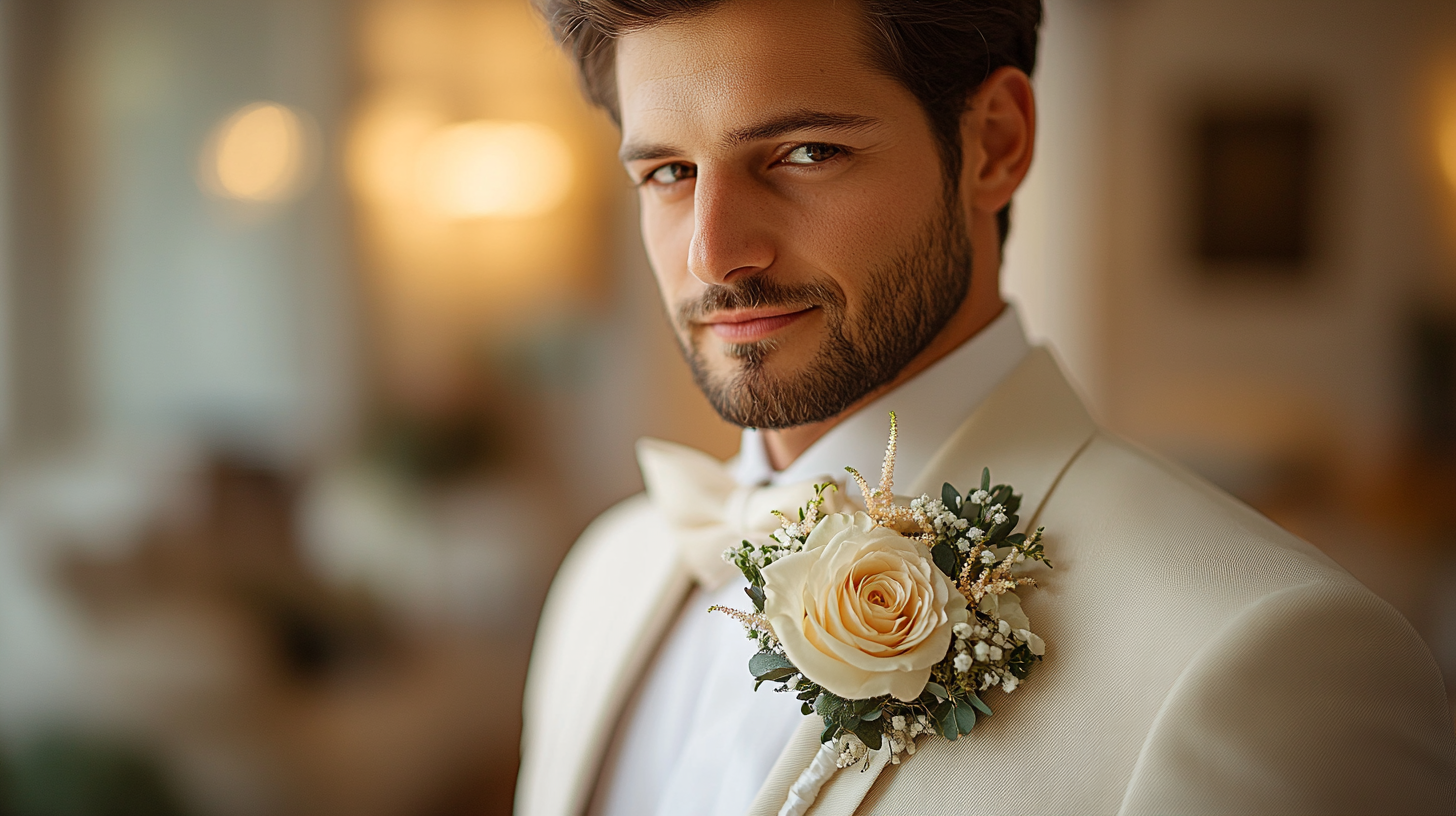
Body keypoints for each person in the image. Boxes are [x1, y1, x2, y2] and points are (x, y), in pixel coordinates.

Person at [516, 0, 1456, 814]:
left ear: (994, 145)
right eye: (669, 174)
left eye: (805, 152)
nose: (714, 256)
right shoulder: (607, 576)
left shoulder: (1273, 659)